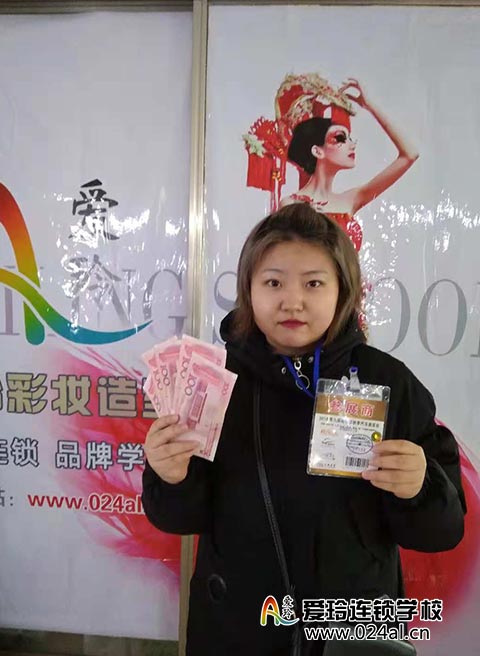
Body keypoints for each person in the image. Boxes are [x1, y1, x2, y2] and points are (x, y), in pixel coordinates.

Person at [142, 203, 465, 656]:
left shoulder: (388, 383)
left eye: (313, 283)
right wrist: (170, 477)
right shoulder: (211, 382)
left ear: (343, 291)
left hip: (349, 632)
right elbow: (179, 519)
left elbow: (441, 532)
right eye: (273, 282)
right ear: (248, 290)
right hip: (238, 629)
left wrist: (419, 486)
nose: (292, 301)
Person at [280, 79, 419, 252]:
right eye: (340, 138)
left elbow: (410, 154)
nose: (352, 145)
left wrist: (370, 106)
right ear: (317, 151)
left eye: (350, 138)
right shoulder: (290, 204)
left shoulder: (351, 199)